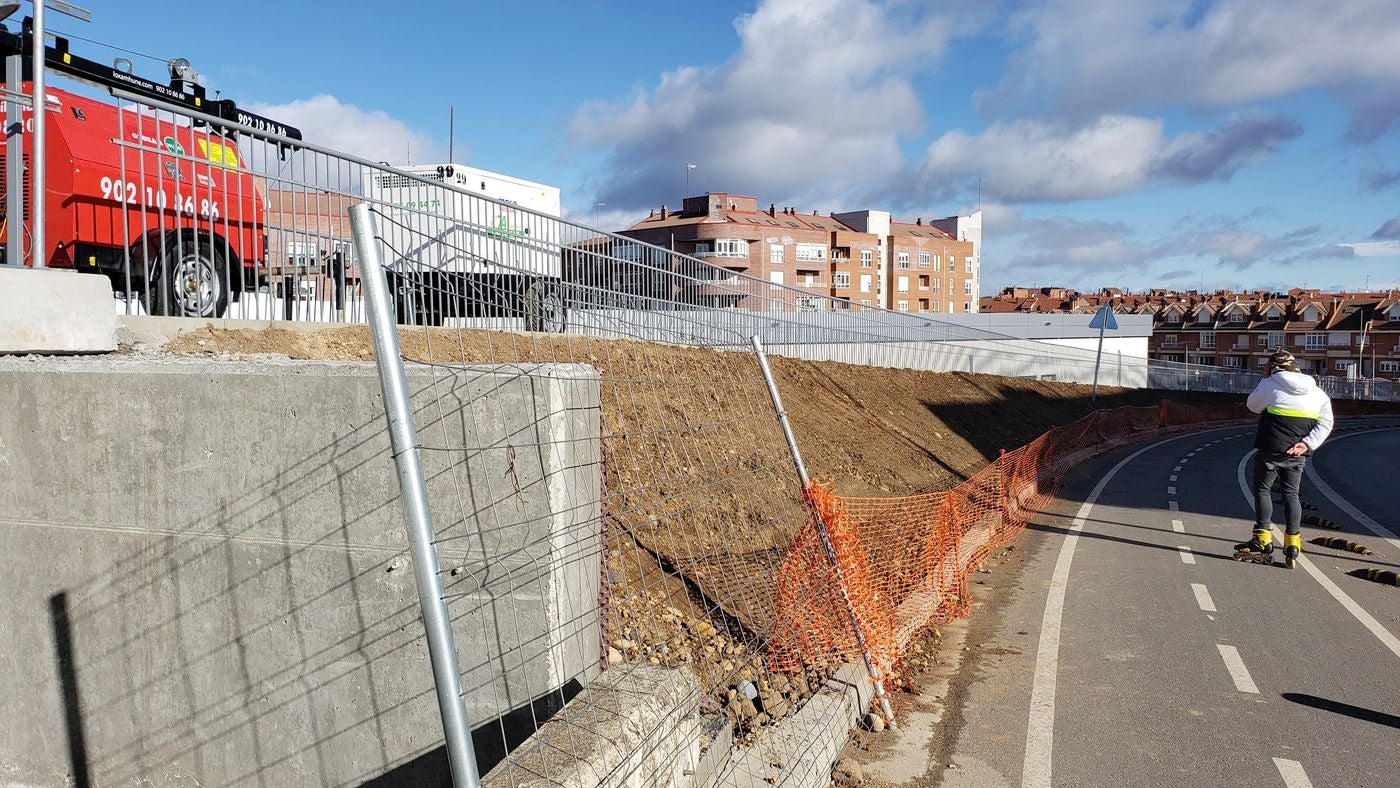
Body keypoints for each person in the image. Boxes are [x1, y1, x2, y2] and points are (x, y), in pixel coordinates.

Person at [1235, 349, 1334, 568]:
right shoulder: (1318, 394)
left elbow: (1252, 405)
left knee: (1262, 490)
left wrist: (1264, 380)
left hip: (1270, 449)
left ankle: (1262, 540)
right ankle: (1292, 544)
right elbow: (1326, 423)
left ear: (1272, 367)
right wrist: (1307, 444)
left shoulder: (1270, 384)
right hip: (1296, 453)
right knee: (1291, 495)